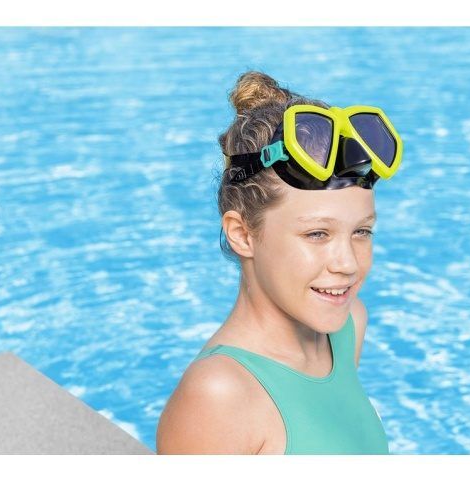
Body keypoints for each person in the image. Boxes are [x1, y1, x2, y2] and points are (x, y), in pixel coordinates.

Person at [156, 71, 403, 455]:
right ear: (242, 234)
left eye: (361, 231)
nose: (348, 264)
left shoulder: (347, 327)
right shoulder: (220, 396)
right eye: (317, 234)